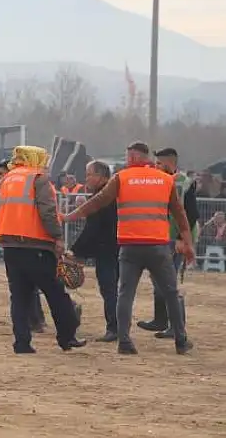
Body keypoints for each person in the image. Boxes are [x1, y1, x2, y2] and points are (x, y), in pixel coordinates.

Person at [65, 141, 195, 355]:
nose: (126, 160)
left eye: (127, 157)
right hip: (158, 246)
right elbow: (180, 215)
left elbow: (98, 202)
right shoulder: (165, 180)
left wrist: (70, 216)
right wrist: (188, 244)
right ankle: (180, 340)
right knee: (171, 293)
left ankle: (124, 341)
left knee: (125, 294)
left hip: (130, 246)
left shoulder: (122, 178)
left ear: (134, 158)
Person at [0, 145, 85, 354]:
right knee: (56, 294)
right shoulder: (38, 179)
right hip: (37, 245)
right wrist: (58, 237)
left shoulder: (6, 179)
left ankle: (22, 342)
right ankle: (67, 336)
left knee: (19, 296)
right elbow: (48, 212)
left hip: (11, 245)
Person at [137, 147, 200, 339]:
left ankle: (176, 326)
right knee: (158, 278)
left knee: (168, 282)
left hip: (177, 239)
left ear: (169, 164)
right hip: (164, 237)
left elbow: (191, 214)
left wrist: (183, 240)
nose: (155, 167)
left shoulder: (183, 183)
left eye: (158, 163)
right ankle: (161, 320)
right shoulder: (163, 181)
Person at [69, 160, 120, 342]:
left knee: (110, 290)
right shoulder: (113, 194)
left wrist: (76, 252)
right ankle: (119, 328)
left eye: (89, 174)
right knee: (119, 290)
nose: (86, 178)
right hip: (120, 247)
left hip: (108, 249)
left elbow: (92, 228)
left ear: (101, 176)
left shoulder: (101, 197)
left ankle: (114, 328)